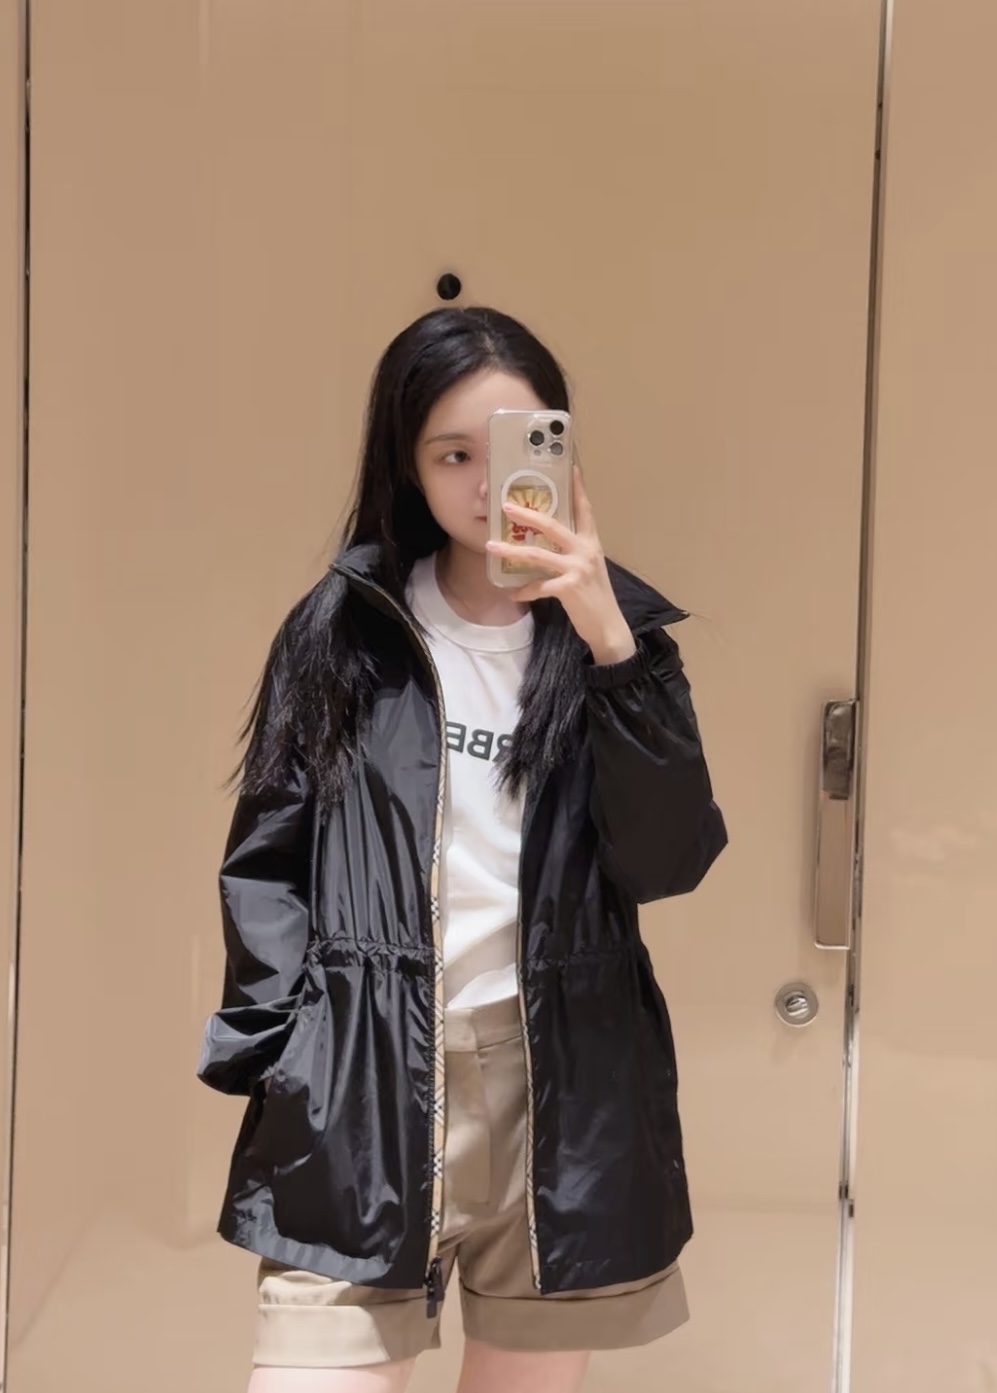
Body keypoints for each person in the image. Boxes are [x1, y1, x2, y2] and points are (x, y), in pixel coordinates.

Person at [197, 306, 727, 1393]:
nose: (488, 485)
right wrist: (287, 1046)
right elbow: (266, 855)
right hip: (363, 1075)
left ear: (560, 446)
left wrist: (608, 639)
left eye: (513, 446)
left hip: (560, 1090)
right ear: (408, 464)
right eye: (452, 456)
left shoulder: (619, 645)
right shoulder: (345, 626)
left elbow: (667, 858)